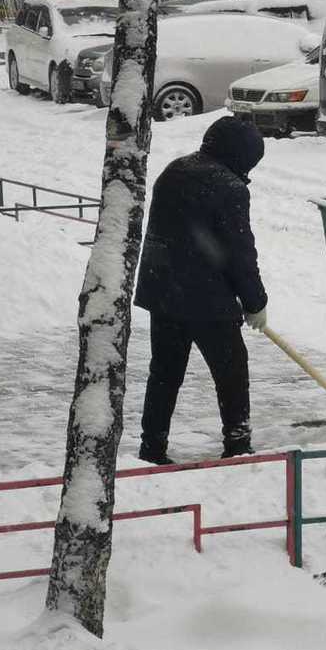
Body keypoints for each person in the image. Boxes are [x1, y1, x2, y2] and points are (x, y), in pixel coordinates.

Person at [134, 117, 269, 464]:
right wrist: (255, 302)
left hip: (163, 291)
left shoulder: (175, 169)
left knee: (164, 372)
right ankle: (237, 444)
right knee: (231, 371)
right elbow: (240, 251)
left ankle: (152, 447)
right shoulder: (230, 187)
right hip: (207, 299)